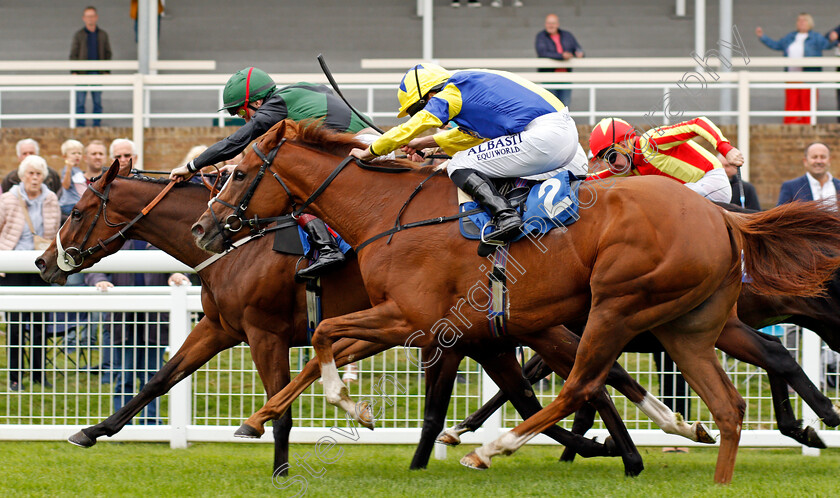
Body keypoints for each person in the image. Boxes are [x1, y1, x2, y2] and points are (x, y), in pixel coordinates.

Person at [169, 67, 377, 279]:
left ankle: (327, 248)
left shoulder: (277, 104)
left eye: (241, 112)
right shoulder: (300, 91)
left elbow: (237, 140)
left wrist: (191, 167)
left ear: (258, 102)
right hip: (371, 147)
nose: (244, 120)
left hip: (359, 152)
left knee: (292, 188)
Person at [349, 63, 588, 243]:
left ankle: (504, 216)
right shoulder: (470, 85)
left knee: (458, 164)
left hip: (544, 136)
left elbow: (412, 127)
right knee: (474, 159)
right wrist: (426, 143)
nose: (420, 113)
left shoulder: (450, 91)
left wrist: (370, 152)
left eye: (417, 108)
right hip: (564, 136)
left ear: (430, 95)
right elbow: (472, 136)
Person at [86, 242, 190, 424]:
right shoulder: (117, 239)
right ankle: (121, 423)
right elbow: (94, 264)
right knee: (124, 375)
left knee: (153, 376)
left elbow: (180, 260)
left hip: (155, 318)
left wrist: (178, 273)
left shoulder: (159, 237)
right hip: (123, 318)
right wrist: (99, 280)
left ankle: (150, 421)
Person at [0, 155, 61, 392]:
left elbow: (54, 232)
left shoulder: (51, 199)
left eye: (38, 174)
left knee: (39, 324)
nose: (35, 178)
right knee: (15, 325)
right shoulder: (7, 199)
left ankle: (39, 375)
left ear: (43, 177)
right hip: (14, 265)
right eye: (30, 174)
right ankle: (15, 377)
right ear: (22, 176)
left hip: (40, 266)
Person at [587, 116, 742, 203]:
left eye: (611, 157)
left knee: (661, 204)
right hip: (689, 193)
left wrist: (726, 149)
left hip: (711, 180)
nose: (611, 165)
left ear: (624, 144)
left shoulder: (652, 142)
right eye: (606, 160)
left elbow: (697, 123)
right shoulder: (626, 167)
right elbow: (591, 181)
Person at [756, 14, 837, 124]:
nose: (801, 22)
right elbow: (776, 45)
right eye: (799, 20)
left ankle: (808, 126)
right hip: (792, 75)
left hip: (808, 77)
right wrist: (762, 37)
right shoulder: (790, 37)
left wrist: (835, 40)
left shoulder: (816, 37)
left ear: (810, 23)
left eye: (804, 20)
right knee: (791, 103)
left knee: (807, 104)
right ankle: (790, 126)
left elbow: (828, 44)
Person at [69, 6, 112, 127]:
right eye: (88, 16)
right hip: (82, 72)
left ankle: (96, 125)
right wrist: (74, 71)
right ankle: (80, 125)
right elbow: (74, 53)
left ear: (96, 17)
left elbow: (108, 53)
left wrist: (106, 70)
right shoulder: (79, 35)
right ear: (84, 18)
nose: (90, 19)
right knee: (80, 101)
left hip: (97, 72)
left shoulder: (102, 35)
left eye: (92, 16)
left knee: (97, 100)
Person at [535, 14, 584, 107]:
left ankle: (562, 122)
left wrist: (579, 53)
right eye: (548, 23)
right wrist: (562, 56)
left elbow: (577, 48)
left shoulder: (567, 35)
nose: (550, 26)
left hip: (565, 76)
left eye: (553, 23)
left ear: (557, 24)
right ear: (545, 24)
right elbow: (542, 52)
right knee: (550, 105)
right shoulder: (541, 36)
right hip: (548, 77)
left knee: (565, 105)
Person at [777, 142, 839, 209]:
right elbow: (780, 217)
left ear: (829, 160)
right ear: (805, 161)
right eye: (814, 157)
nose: (818, 161)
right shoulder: (790, 187)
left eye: (823, 157)